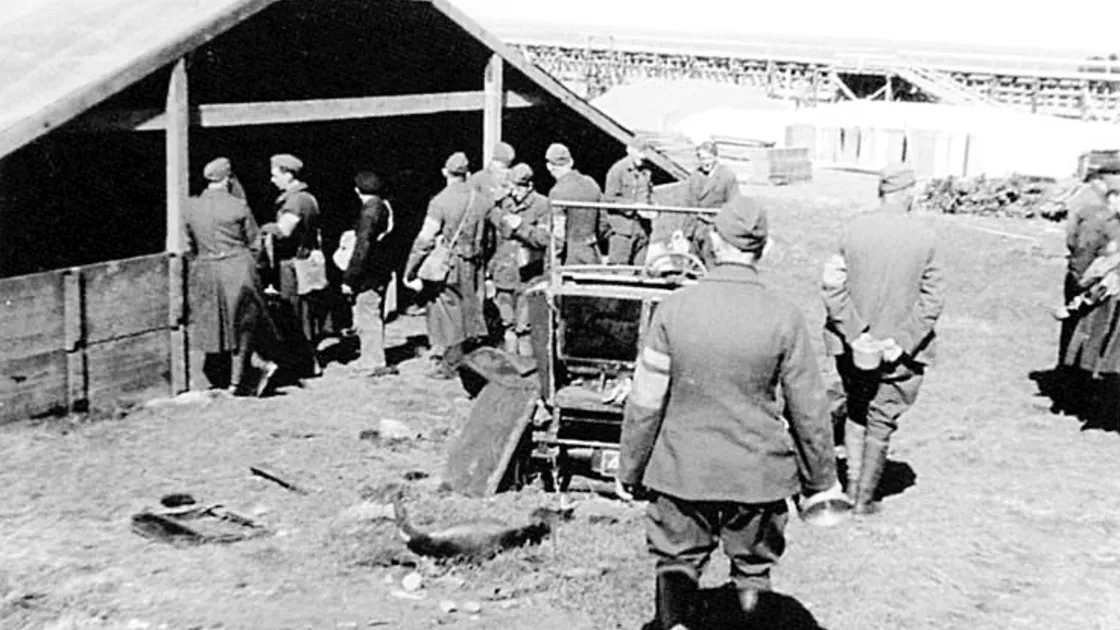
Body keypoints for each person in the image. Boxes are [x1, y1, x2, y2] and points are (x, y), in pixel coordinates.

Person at [618, 196, 842, 630]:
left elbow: (644, 403)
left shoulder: (673, 310)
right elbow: (810, 410)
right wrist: (820, 481)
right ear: (764, 249)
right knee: (754, 569)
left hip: (681, 471)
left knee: (675, 562)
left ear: (713, 243)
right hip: (757, 475)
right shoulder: (786, 317)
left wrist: (630, 469)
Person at [821, 163, 945, 515]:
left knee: (857, 409)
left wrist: (856, 333)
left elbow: (832, 288)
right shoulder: (926, 236)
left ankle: (851, 485)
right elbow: (933, 299)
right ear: (909, 193)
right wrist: (901, 342)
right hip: (899, 353)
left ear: (881, 192)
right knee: (883, 415)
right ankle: (864, 498)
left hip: (853, 348)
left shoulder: (852, 229)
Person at [184, 157, 279, 397]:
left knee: (215, 324)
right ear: (227, 179)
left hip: (206, 269)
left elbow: (189, 244)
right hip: (238, 268)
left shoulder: (190, 207)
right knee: (244, 324)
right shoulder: (238, 206)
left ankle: (221, 376)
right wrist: (263, 272)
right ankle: (241, 380)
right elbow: (256, 243)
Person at [403, 152, 489, 380]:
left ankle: (448, 365)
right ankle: (467, 359)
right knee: (467, 312)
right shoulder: (481, 200)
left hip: (448, 267)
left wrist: (411, 268)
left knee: (445, 313)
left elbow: (425, 238)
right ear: (467, 174)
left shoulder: (440, 201)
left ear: (444, 172)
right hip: (473, 264)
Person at [260, 153, 324, 378]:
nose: (272, 179)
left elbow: (285, 230)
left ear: (288, 174)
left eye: (275, 174)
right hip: (303, 262)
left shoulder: (295, 201)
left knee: (294, 315)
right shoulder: (308, 197)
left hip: (292, 266)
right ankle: (309, 361)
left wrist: (262, 228)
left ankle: (304, 364)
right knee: (305, 314)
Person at [487, 163, 552, 357]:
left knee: (525, 328)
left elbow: (544, 239)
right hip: (504, 273)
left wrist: (521, 226)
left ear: (529, 186)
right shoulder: (504, 204)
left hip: (528, 275)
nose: (514, 192)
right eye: (511, 187)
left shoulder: (542, 205)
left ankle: (527, 372)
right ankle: (511, 368)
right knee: (507, 325)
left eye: (518, 187)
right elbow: (494, 240)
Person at [341, 171, 398, 379]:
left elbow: (362, 246)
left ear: (357, 190)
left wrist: (350, 277)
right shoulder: (384, 206)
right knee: (373, 313)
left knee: (367, 314)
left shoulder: (369, 211)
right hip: (381, 268)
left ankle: (373, 361)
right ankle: (372, 356)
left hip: (369, 272)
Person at [683, 141, 741, 268]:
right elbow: (689, 205)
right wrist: (686, 232)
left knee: (713, 264)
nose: (705, 162)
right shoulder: (695, 176)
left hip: (716, 229)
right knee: (693, 266)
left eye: (708, 158)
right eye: (702, 158)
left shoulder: (727, 176)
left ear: (716, 157)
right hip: (697, 228)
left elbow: (734, 206)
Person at [545, 143, 604, 266]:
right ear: (571, 162)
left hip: (570, 258)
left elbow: (558, 234)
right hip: (592, 254)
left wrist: (553, 262)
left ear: (550, 167)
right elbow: (604, 223)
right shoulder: (591, 183)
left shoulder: (557, 192)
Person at [603, 139, 655, 265]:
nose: (643, 156)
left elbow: (650, 195)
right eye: (639, 152)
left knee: (639, 273)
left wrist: (653, 209)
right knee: (619, 271)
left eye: (645, 152)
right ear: (629, 149)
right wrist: (633, 206)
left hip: (642, 230)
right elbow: (609, 199)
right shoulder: (617, 171)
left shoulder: (646, 172)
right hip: (622, 231)